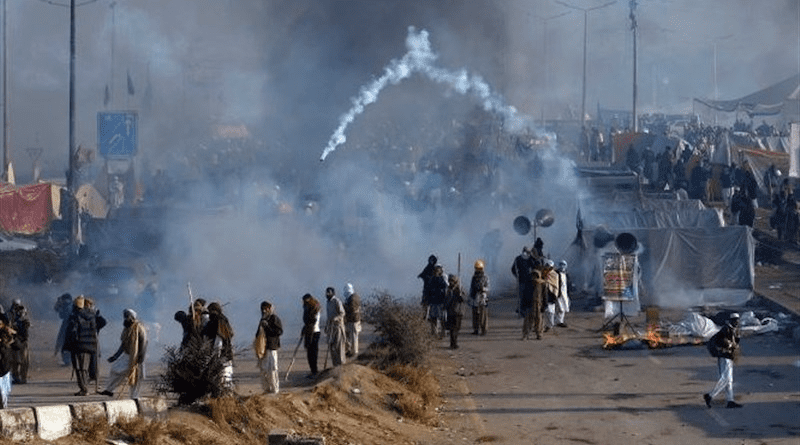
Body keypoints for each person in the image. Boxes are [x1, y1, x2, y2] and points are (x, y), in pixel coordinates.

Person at [62, 295, 106, 396]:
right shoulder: (92, 315)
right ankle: (86, 387)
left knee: (80, 369)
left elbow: (71, 333)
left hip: (79, 347)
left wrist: (67, 346)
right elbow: (101, 323)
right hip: (90, 346)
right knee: (85, 368)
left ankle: (84, 389)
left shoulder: (75, 316)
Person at [98, 309, 147, 399]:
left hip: (137, 357)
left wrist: (140, 359)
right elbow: (123, 344)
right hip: (127, 355)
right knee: (115, 370)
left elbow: (144, 344)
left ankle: (134, 398)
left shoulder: (139, 328)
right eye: (125, 316)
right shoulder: (127, 328)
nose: (125, 318)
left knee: (135, 378)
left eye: (127, 316)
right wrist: (115, 356)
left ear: (132, 317)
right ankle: (109, 390)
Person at [704, 313, 743, 409]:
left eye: (737, 321)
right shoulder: (726, 330)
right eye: (735, 321)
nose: (736, 323)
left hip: (728, 357)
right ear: (731, 321)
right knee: (725, 379)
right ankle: (710, 396)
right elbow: (724, 342)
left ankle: (730, 401)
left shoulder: (733, 330)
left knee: (729, 381)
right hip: (725, 357)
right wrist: (732, 345)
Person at [201, 302, 234, 388]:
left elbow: (219, 340)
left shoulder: (218, 321)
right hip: (224, 353)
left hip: (221, 354)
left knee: (223, 376)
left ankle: (225, 396)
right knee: (224, 376)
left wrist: (216, 355)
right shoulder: (219, 320)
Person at [254, 301, 282, 394]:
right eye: (263, 309)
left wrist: (267, 327)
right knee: (264, 370)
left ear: (270, 308)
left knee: (273, 370)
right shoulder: (262, 320)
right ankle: (266, 389)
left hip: (272, 347)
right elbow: (257, 334)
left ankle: (275, 390)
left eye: (266, 308)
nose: (264, 310)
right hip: (264, 349)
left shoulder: (274, 318)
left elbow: (278, 332)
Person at [8, 300, 30, 384]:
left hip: (23, 341)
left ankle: (23, 378)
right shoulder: (11, 315)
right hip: (15, 341)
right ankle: (16, 377)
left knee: (24, 361)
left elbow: (26, 327)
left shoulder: (24, 316)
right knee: (15, 361)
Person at [0, 317, 20, 408]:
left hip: (6, 370)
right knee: (2, 394)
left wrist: (13, 335)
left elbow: (17, 346)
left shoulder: (6, 337)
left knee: (5, 394)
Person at [325, 287, 346, 367]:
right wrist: (327, 326)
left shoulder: (337, 301)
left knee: (339, 346)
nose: (327, 294)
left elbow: (342, 313)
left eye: (329, 292)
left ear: (333, 293)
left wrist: (336, 318)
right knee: (332, 347)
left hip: (338, 327)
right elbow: (328, 316)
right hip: (331, 328)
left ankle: (341, 365)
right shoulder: (328, 302)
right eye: (326, 293)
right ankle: (335, 366)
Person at [301, 294, 322, 377]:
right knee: (309, 353)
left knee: (313, 353)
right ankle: (313, 370)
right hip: (309, 331)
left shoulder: (315, 307)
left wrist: (306, 326)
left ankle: (315, 371)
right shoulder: (309, 307)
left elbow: (312, 320)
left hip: (314, 332)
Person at [511, 246, 535, 317]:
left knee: (527, 295)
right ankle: (521, 310)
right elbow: (513, 269)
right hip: (521, 280)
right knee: (521, 295)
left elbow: (533, 266)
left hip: (529, 280)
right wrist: (516, 275)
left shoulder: (530, 258)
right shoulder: (518, 259)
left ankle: (525, 309)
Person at [444, 274, 465, 349]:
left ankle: (454, 342)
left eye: (452, 281)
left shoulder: (460, 289)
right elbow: (446, 300)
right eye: (450, 281)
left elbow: (464, 299)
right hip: (451, 312)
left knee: (457, 329)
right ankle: (453, 343)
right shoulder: (449, 290)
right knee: (452, 329)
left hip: (458, 312)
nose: (451, 282)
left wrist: (460, 295)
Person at [469, 260, 489, 336]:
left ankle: (484, 330)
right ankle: (476, 329)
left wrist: (483, 289)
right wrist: (471, 297)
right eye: (477, 268)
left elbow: (488, 288)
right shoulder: (473, 278)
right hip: (475, 298)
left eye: (479, 269)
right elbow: (471, 288)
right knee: (475, 315)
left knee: (483, 316)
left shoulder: (485, 277)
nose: (478, 270)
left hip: (482, 298)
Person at [427, 265, 448, 338]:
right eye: (436, 270)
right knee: (433, 318)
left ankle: (442, 332)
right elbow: (428, 291)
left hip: (440, 301)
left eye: (438, 271)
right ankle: (434, 332)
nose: (437, 272)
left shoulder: (442, 279)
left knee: (442, 319)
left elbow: (445, 290)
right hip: (434, 302)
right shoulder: (431, 280)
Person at [549, 261, 571, 328]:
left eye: (564, 265)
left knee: (564, 308)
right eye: (561, 264)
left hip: (564, 293)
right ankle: (556, 321)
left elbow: (567, 285)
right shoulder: (556, 273)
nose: (562, 266)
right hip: (558, 293)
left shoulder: (566, 274)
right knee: (560, 308)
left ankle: (560, 321)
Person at [54, 293, 73, 366]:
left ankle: (67, 361)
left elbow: (61, 315)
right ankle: (68, 360)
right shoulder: (71, 305)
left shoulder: (68, 306)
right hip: (71, 325)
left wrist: (59, 304)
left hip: (67, 325)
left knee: (64, 342)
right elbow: (56, 309)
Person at [343, 283, 361, 358]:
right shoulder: (355, 296)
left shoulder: (352, 298)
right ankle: (352, 351)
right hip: (355, 319)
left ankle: (354, 352)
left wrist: (344, 306)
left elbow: (352, 309)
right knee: (353, 336)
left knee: (353, 337)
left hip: (353, 320)